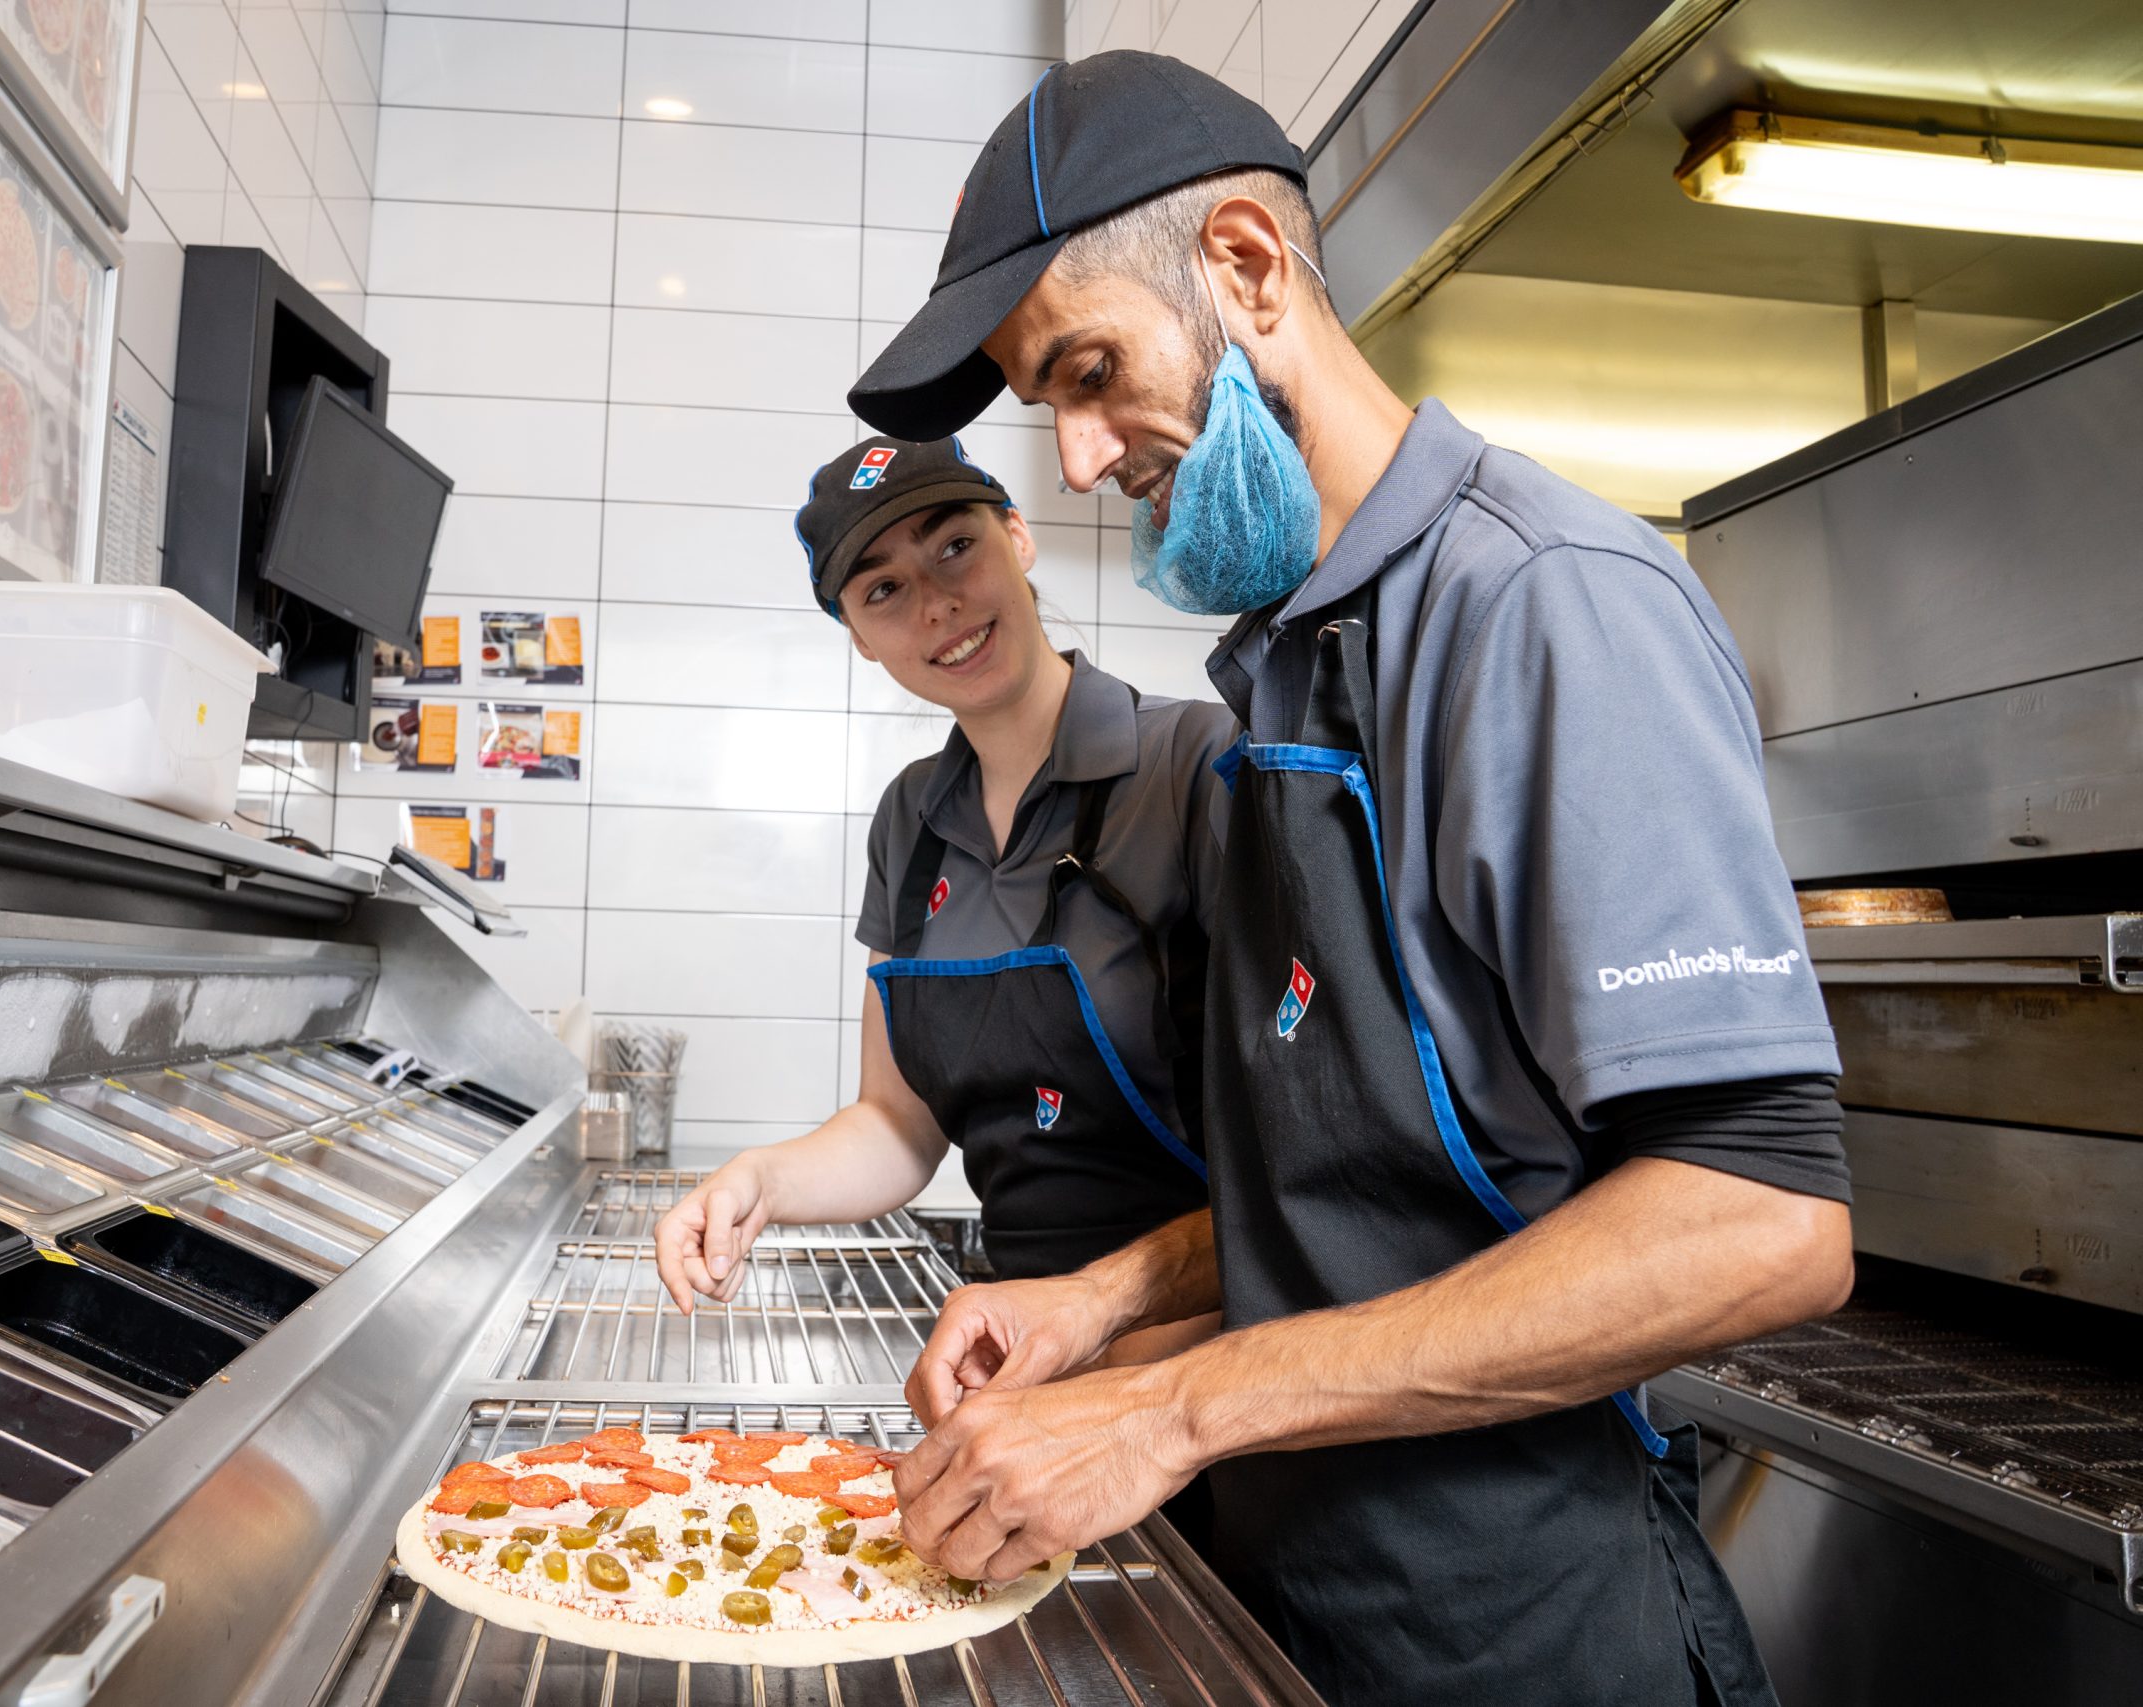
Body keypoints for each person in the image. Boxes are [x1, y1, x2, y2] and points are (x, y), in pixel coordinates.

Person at [844, 51, 1854, 1707]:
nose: (1083, 460)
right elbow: (1373, 1193)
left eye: (1094, 374)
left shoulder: (1541, 609)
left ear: (1249, 267)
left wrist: (1171, 1408)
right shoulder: (1285, 682)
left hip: (1529, 1622)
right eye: (1052, 412)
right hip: (1303, 1608)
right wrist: (1102, 1304)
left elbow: (1762, 1223)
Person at [652, 435, 1231, 1344]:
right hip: (1018, 1345)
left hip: (1208, 1346)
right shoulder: (912, 818)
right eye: (883, 589)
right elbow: (896, 1123)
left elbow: (1307, 1157)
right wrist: (757, 1180)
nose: (936, 604)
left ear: (1017, 534)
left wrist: (1121, 1357)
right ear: (859, 637)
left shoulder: (1194, 766)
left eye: (954, 545)